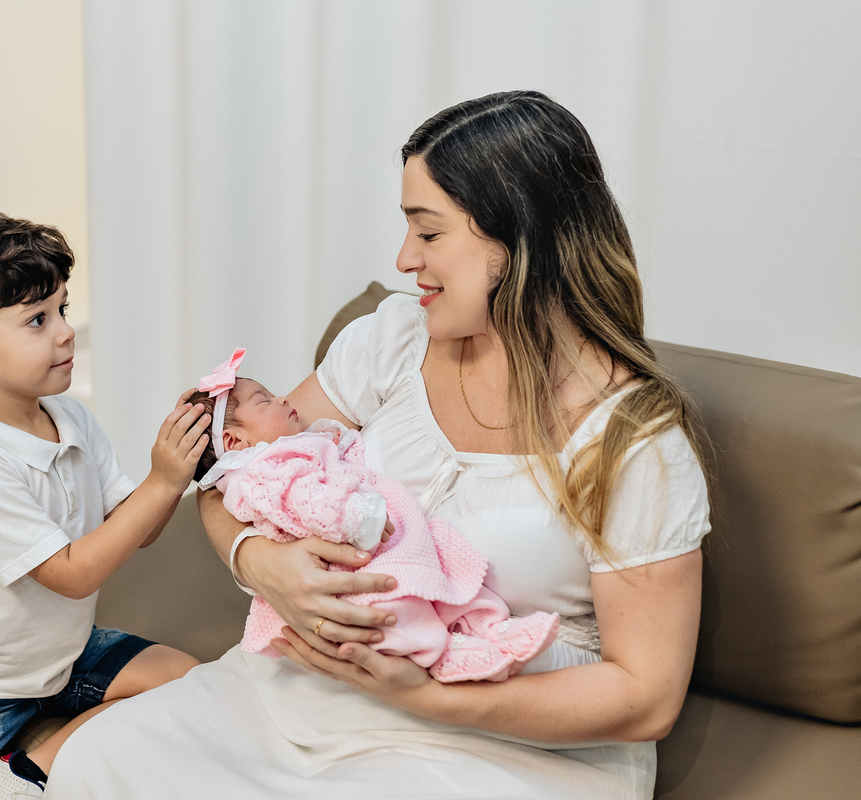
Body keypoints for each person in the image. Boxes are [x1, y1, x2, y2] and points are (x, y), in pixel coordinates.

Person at [44, 90, 711, 799]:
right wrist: (260, 560)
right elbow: (235, 470)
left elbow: (647, 697)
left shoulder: (633, 444)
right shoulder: (393, 341)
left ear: (521, 239)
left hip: (512, 748)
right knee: (104, 759)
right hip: (314, 698)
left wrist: (433, 699)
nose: (403, 259)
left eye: (428, 234)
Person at [0, 210, 209, 800]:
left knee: (192, 682)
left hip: (62, 655)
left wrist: (184, 463)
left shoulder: (69, 416)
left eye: (61, 308)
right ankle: (9, 769)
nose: (65, 331)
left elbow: (136, 529)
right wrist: (161, 482)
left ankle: (32, 763)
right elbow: (72, 575)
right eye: (37, 320)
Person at [188, 352, 559, 682]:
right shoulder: (264, 471)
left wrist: (338, 442)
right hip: (359, 550)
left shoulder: (294, 446)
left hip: (400, 530)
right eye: (265, 400)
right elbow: (308, 501)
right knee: (395, 601)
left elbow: (340, 456)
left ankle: (489, 629)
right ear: (235, 441)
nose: (283, 398)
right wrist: (355, 516)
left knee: (455, 574)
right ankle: (436, 654)